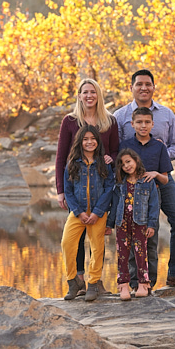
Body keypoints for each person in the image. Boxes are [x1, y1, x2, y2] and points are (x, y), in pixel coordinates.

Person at [114, 69, 175, 291]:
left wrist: (158, 156)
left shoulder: (167, 114)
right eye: (139, 84)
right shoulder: (119, 116)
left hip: (161, 176)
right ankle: (139, 281)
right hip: (132, 183)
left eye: (148, 84)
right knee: (139, 228)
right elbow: (115, 149)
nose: (143, 88)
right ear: (131, 87)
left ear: (153, 87)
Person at [55, 78, 119, 292]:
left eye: (93, 92)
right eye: (85, 92)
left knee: (96, 239)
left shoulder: (109, 121)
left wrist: (110, 158)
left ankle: (95, 282)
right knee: (75, 236)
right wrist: (61, 190)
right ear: (80, 96)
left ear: (98, 95)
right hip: (76, 183)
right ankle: (78, 281)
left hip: (100, 181)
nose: (89, 95)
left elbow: (115, 150)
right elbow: (61, 156)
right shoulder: (70, 121)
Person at [119, 106, 172, 290]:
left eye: (147, 122)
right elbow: (118, 175)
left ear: (152, 124)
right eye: (139, 122)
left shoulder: (159, 147)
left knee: (150, 240)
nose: (143, 126)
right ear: (132, 124)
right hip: (128, 198)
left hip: (150, 198)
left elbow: (165, 178)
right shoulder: (125, 146)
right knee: (131, 243)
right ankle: (134, 283)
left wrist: (156, 173)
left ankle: (149, 282)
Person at [61, 125, 114, 302]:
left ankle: (93, 283)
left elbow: (109, 188)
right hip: (78, 213)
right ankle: (73, 281)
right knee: (67, 243)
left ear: (98, 142)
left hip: (98, 213)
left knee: (97, 247)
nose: (90, 142)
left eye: (93, 139)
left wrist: (98, 212)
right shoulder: (72, 163)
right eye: (85, 139)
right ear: (80, 142)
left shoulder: (104, 163)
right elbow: (68, 191)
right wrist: (78, 211)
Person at [107, 148, 159, 301]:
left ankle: (143, 283)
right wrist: (109, 224)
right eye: (123, 164)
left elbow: (153, 205)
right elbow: (115, 204)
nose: (126, 166)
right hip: (122, 223)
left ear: (136, 160)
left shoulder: (147, 182)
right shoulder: (120, 184)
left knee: (141, 253)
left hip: (140, 223)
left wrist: (151, 225)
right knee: (122, 255)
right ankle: (123, 285)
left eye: (128, 161)